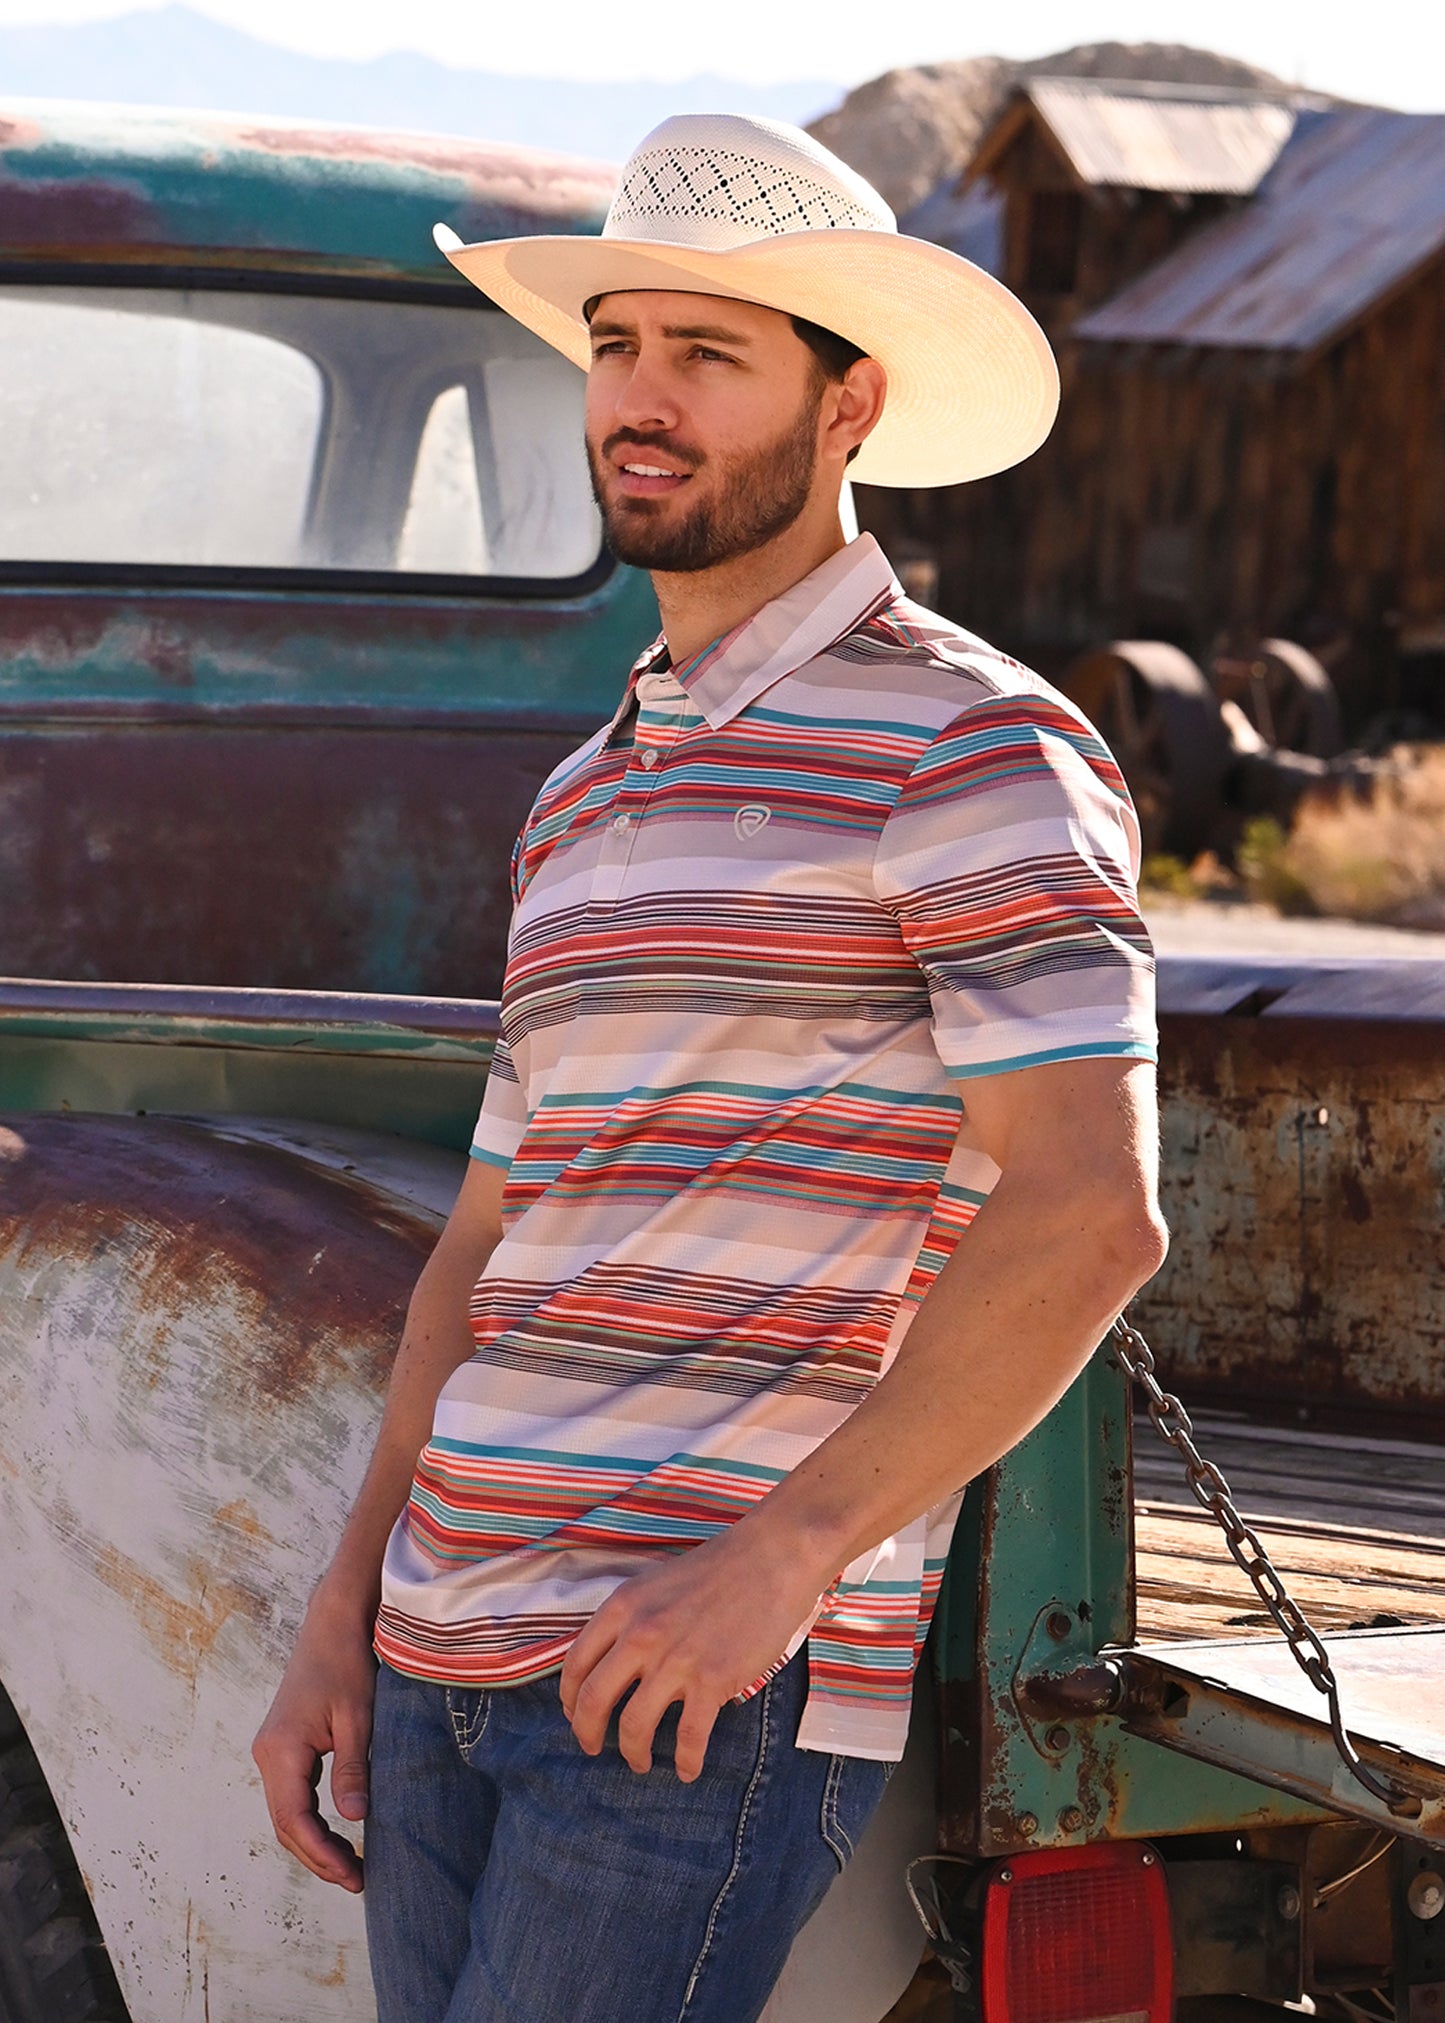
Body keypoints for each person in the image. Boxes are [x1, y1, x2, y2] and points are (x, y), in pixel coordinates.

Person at [253, 111, 1167, 2023]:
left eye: (710, 354)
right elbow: (488, 1246)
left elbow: (1090, 1218)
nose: (639, 401)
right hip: (440, 1659)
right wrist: (343, 1611)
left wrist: (788, 1563)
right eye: (616, 346)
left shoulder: (971, 750)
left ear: (848, 409)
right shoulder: (584, 795)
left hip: (691, 1680)